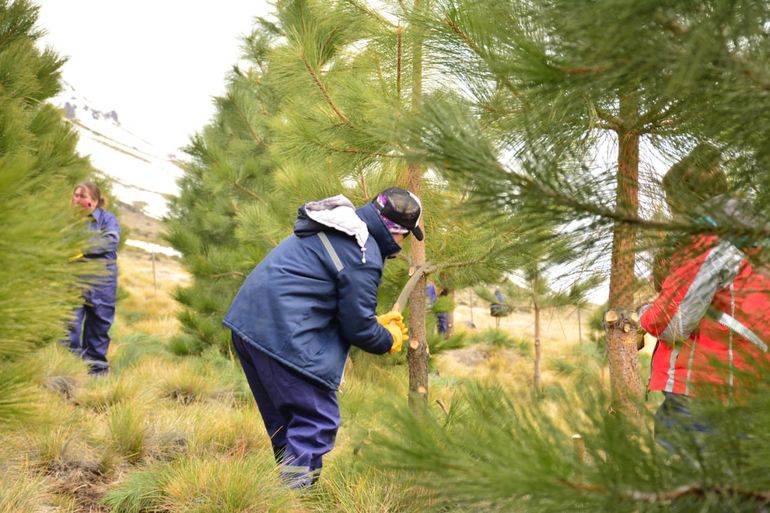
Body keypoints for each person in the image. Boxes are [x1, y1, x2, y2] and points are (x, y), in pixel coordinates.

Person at [223, 187, 423, 488]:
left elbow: (322, 293)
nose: (401, 245)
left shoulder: (338, 225)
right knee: (316, 420)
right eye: (405, 237)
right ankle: (295, 498)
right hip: (282, 334)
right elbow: (358, 328)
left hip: (249, 325)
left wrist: (374, 323)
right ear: (398, 232)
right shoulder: (363, 250)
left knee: (287, 424)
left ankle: (282, 494)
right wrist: (388, 338)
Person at [639, 144, 770, 452]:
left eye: (672, 205)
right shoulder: (756, 241)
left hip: (701, 390)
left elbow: (672, 323)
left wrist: (643, 312)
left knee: (688, 480)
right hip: (754, 392)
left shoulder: (708, 239)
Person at [65, 182, 121, 376]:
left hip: (101, 282)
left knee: (98, 327)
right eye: (76, 195)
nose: (77, 199)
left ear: (95, 201)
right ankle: (69, 371)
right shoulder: (68, 221)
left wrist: (81, 246)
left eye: (83, 196)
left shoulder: (107, 219)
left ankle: (96, 373)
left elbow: (111, 241)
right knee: (69, 325)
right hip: (73, 280)